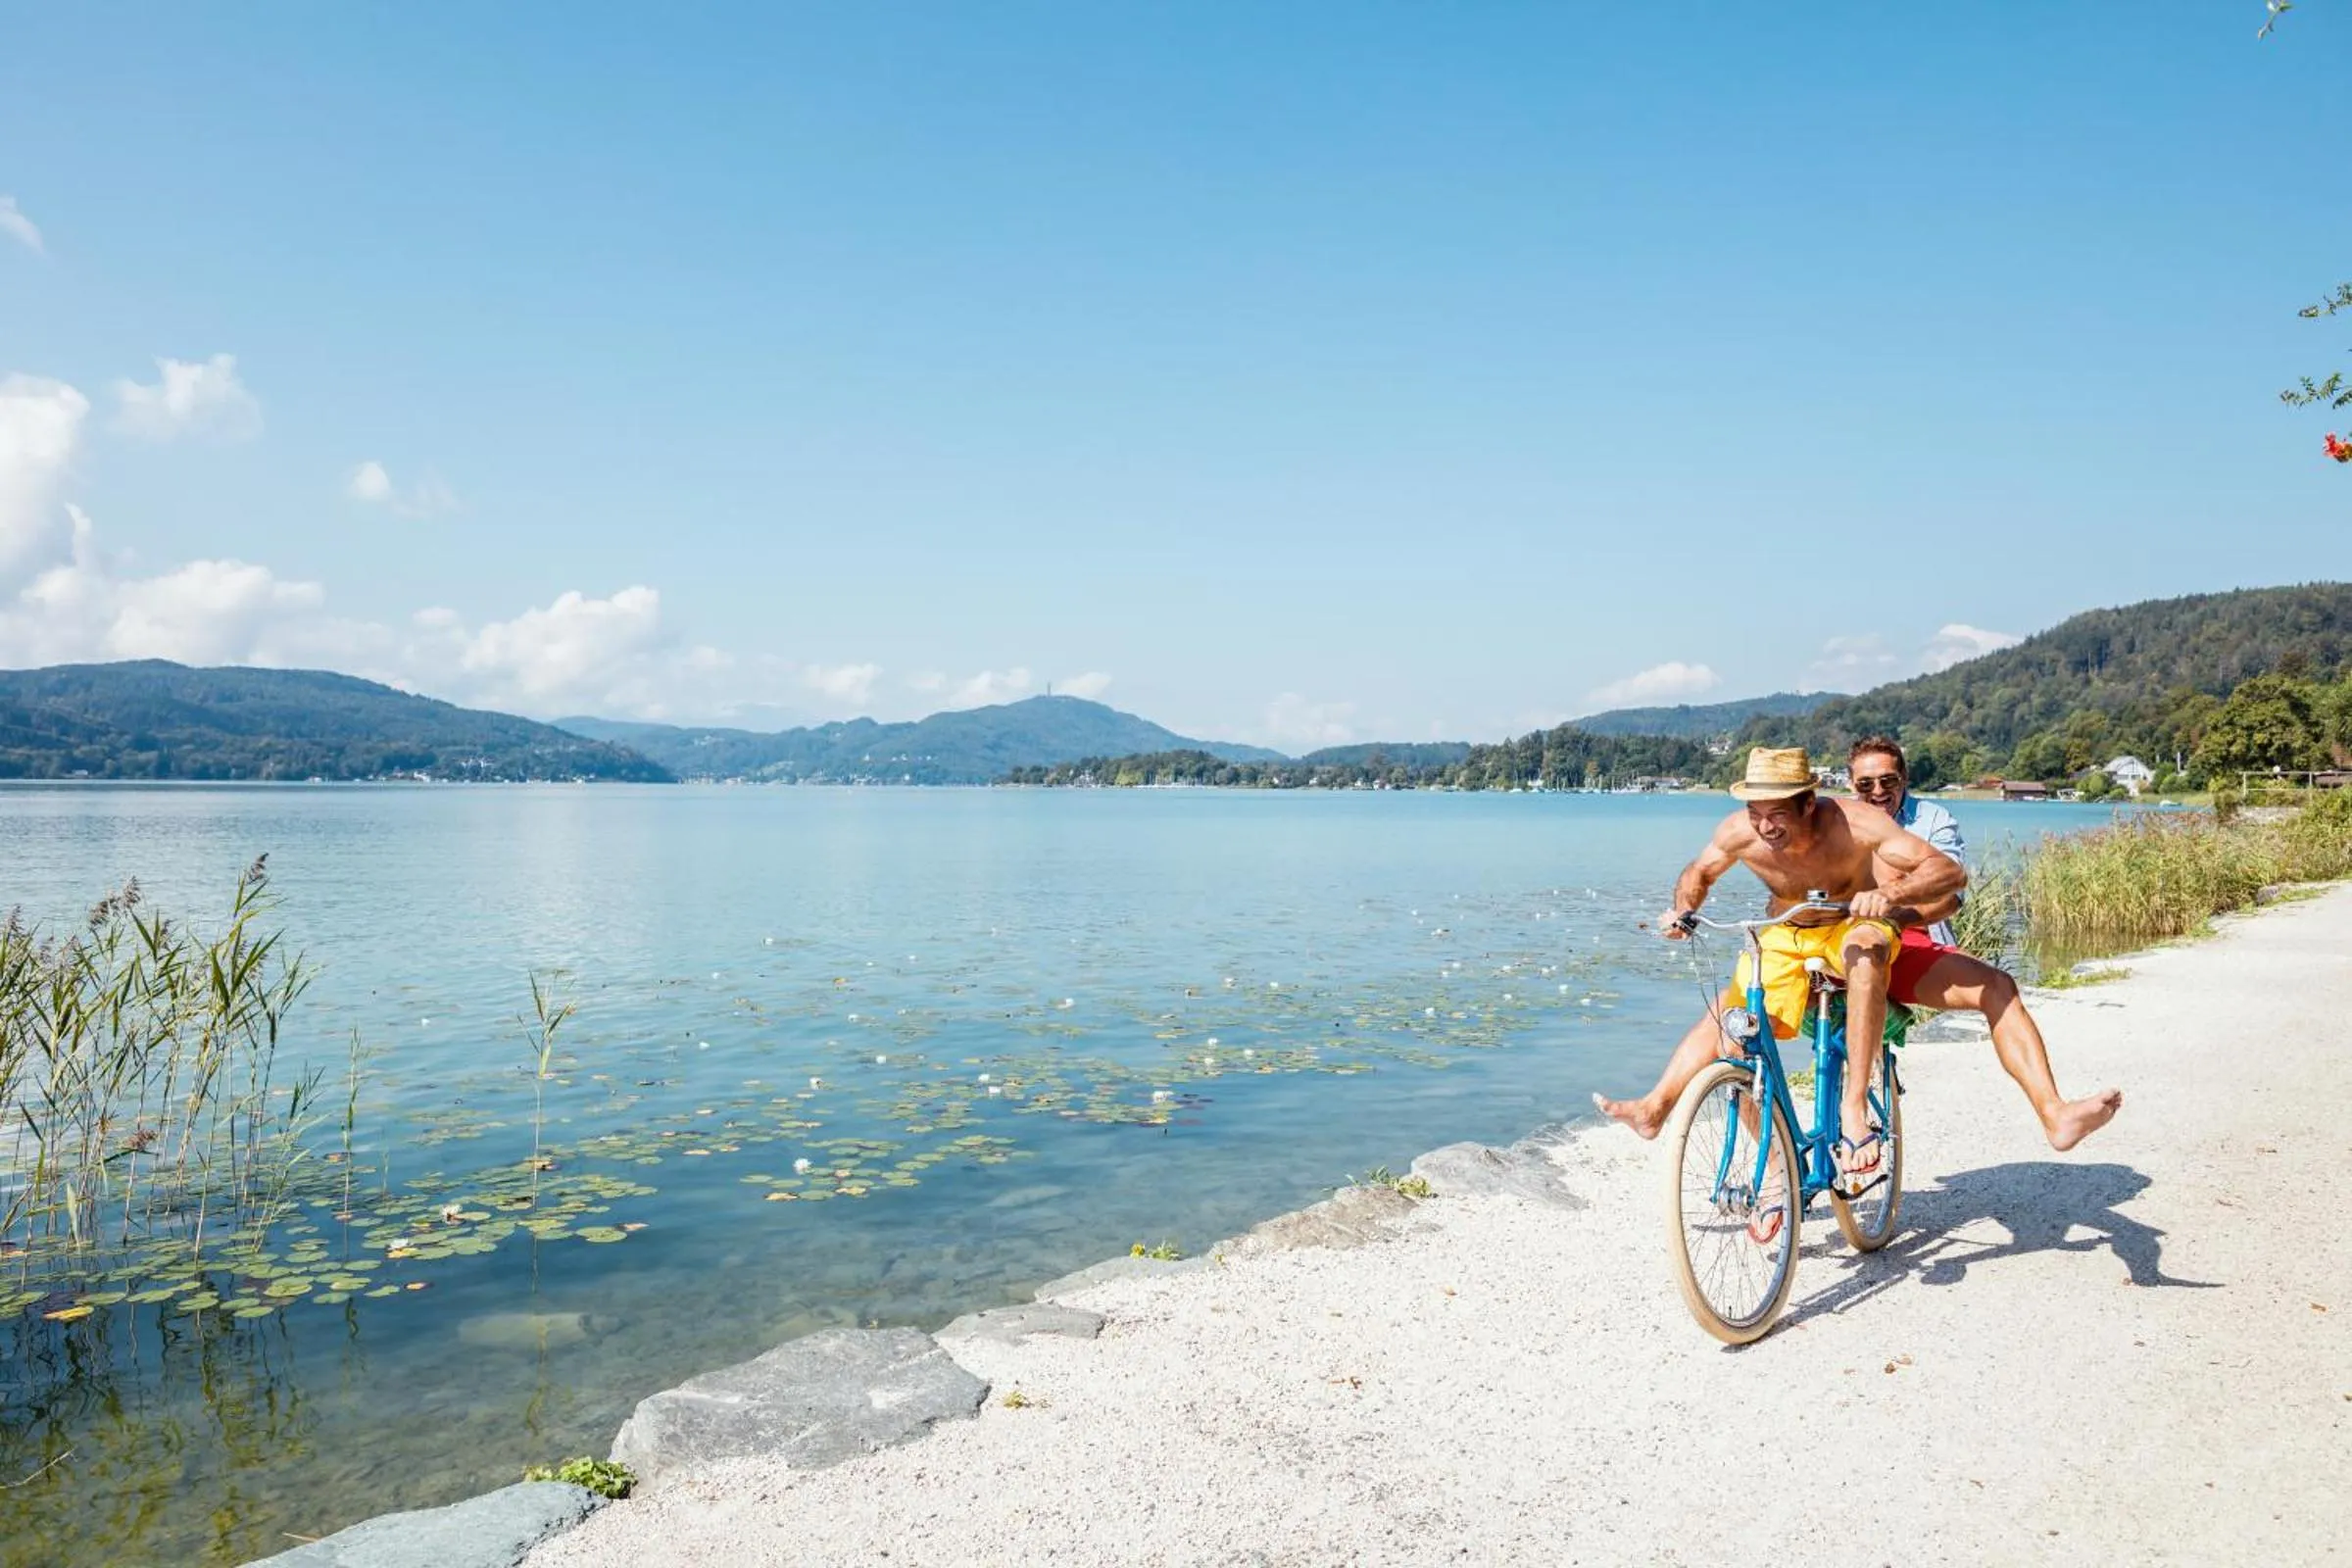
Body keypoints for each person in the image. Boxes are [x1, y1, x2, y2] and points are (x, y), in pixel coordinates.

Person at [1592, 746, 1965, 1184]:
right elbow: (1700, 872)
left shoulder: (1855, 823)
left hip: (1851, 925)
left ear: (1808, 803)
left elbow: (1949, 873)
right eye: (1755, 812)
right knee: (1733, 1036)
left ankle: (1855, 1106)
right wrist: (1683, 910)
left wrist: (1891, 895)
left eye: (1778, 814)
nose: (1765, 826)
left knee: (1866, 949)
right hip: (1786, 933)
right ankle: (1771, 1161)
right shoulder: (1741, 832)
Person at [1845, 735, 2123, 1150]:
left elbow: (1948, 897)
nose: (1879, 792)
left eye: (1888, 781)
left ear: (1904, 779)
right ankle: (1779, 1175)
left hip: (1911, 936)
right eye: (1866, 785)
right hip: (1843, 942)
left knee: (1999, 988)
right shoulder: (1835, 822)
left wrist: (1894, 910)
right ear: (1851, 785)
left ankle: (2055, 1114)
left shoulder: (1931, 818)